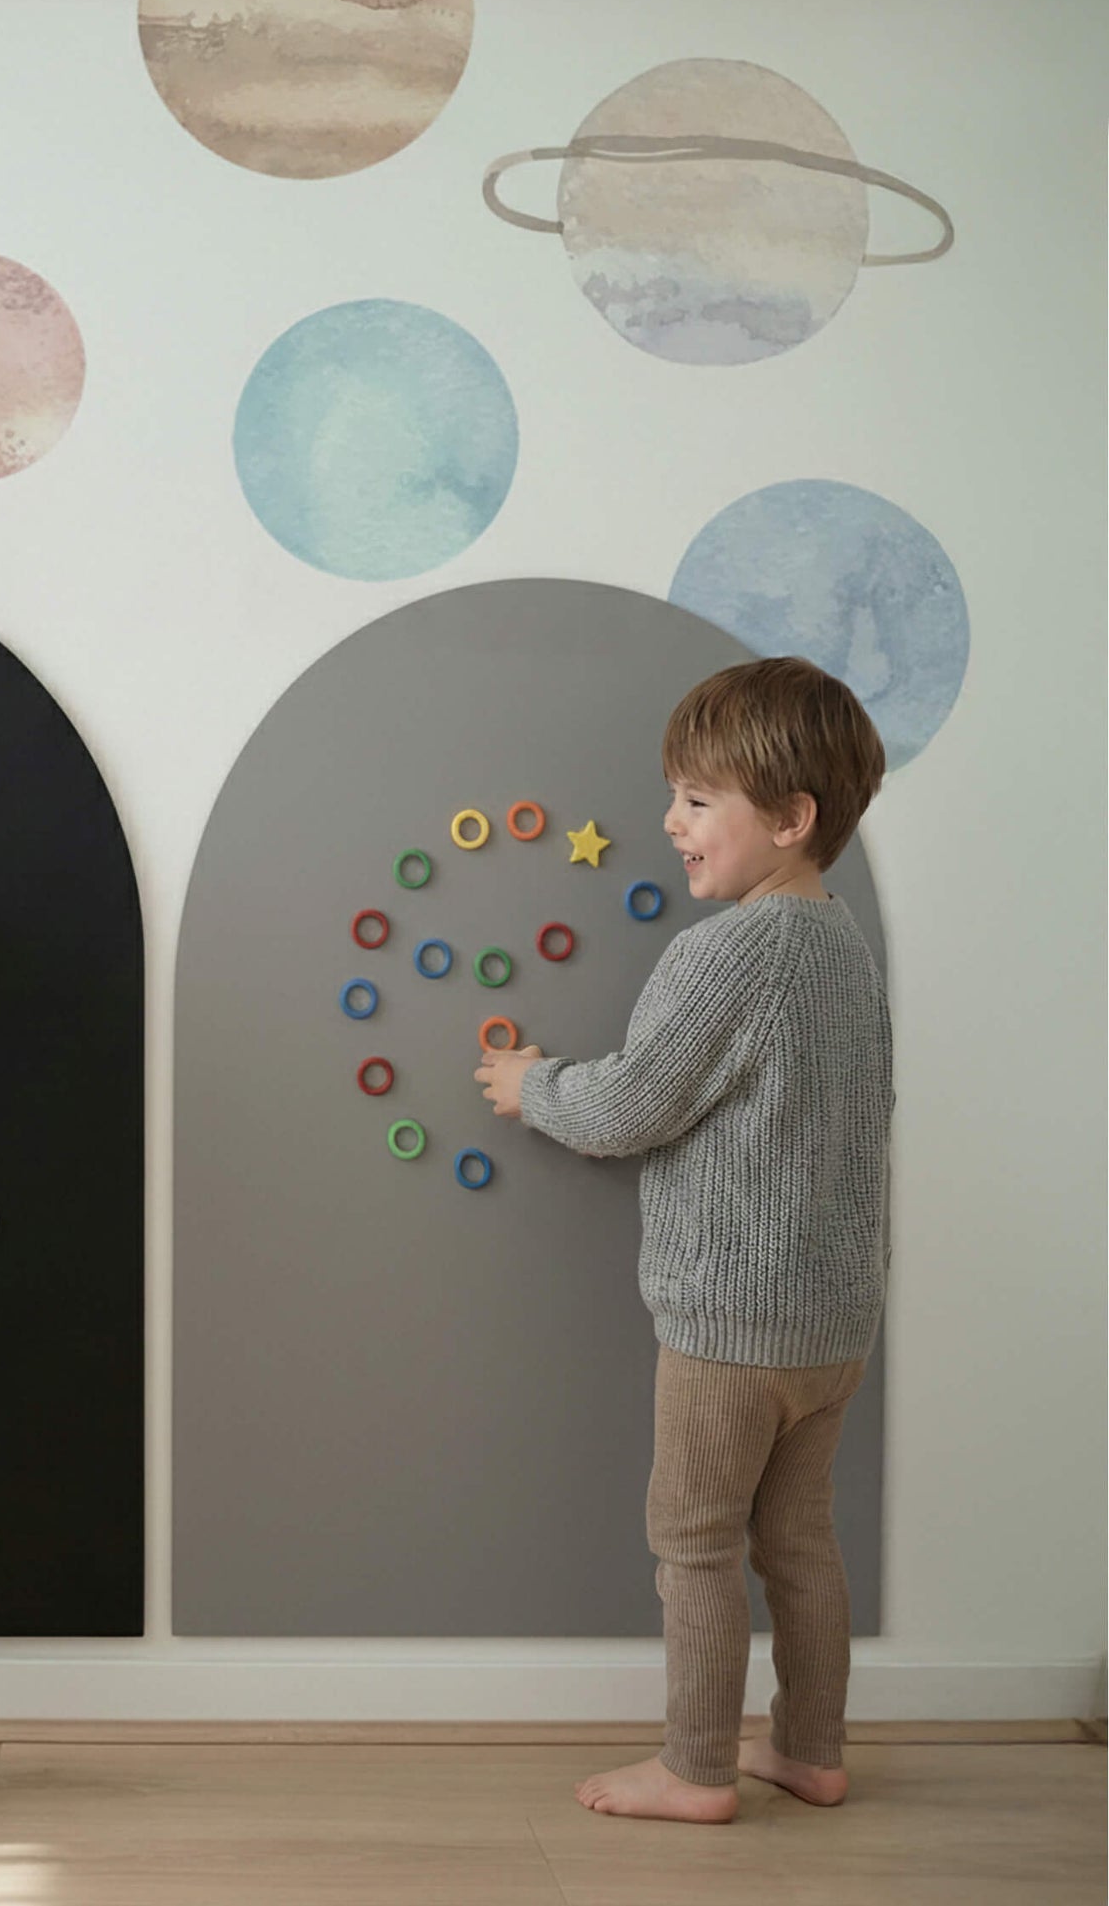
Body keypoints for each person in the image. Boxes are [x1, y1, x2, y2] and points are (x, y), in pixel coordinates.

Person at [475, 657, 893, 1824]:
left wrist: (530, 1081)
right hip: (831, 1325)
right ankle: (808, 1747)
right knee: (798, 1540)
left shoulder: (727, 955)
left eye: (697, 799)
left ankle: (696, 1765)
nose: (669, 821)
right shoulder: (845, 953)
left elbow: (626, 1106)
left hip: (729, 1328)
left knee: (694, 1541)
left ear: (790, 817)